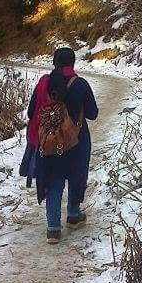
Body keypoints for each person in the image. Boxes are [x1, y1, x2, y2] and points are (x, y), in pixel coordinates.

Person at [20, 47, 98, 244]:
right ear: (73, 63)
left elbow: (31, 113)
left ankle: (53, 228)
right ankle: (73, 214)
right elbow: (93, 113)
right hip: (77, 141)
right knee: (76, 175)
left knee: (53, 180)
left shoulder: (43, 84)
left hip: (49, 142)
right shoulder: (80, 84)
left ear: (54, 63)